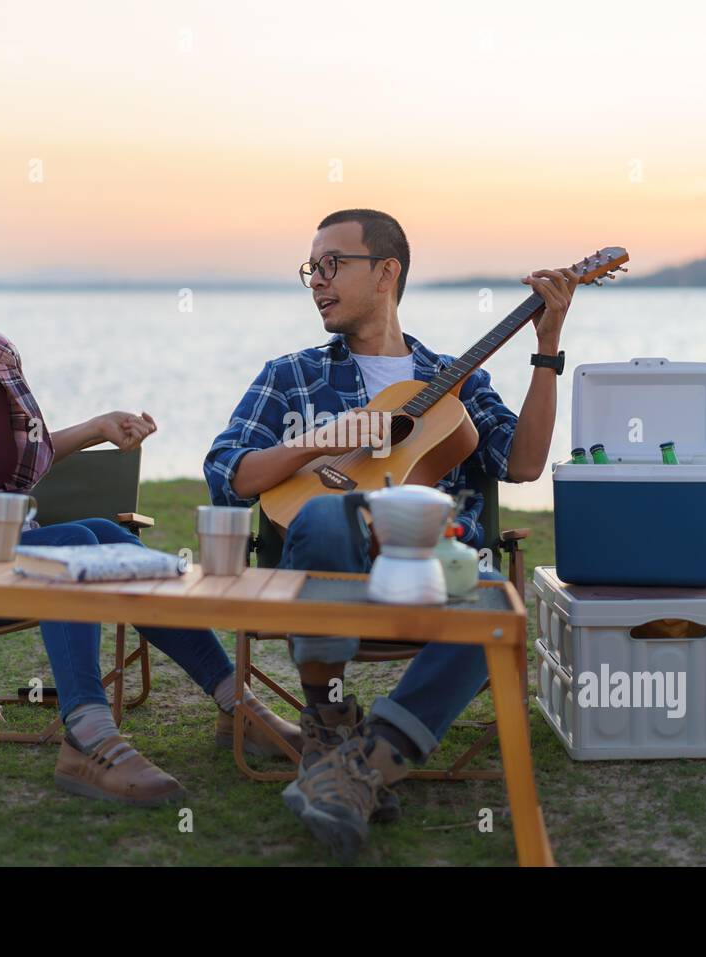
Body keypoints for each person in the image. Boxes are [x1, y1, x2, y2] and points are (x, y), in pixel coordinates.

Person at [0, 215, 300, 806]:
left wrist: (95, 428)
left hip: (3, 557)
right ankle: (88, 740)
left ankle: (236, 705)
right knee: (73, 550)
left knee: (105, 537)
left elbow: (21, 467)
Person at [205, 208, 576, 860]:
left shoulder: (453, 379)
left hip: (426, 573)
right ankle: (326, 721)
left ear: (386, 271)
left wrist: (546, 348)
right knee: (325, 513)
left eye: (331, 265)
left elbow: (521, 462)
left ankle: (362, 764)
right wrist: (319, 440)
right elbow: (230, 471)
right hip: (327, 567)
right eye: (309, 269)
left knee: (495, 598)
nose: (316, 281)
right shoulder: (290, 376)